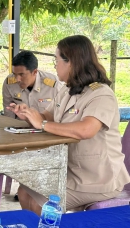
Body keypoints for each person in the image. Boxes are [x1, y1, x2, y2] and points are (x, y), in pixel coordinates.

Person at [7, 35, 130, 215]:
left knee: (41, 204)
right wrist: (28, 114)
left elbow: (86, 129)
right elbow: (47, 115)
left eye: (56, 60)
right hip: (72, 172)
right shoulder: (67, 89)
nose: (55, 64)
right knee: (24, 191)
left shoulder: (101, 94)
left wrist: (42, 124)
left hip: (97, 179)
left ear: (71, 62)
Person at [2, 50, 63, 119]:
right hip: (19, 127)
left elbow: (61, 115)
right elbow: (9, 115)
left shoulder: (53, 85)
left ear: (34, 72)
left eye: (21, 74)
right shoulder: (9, 83)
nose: (17, 79)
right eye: (14, 74)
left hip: (45, 126)